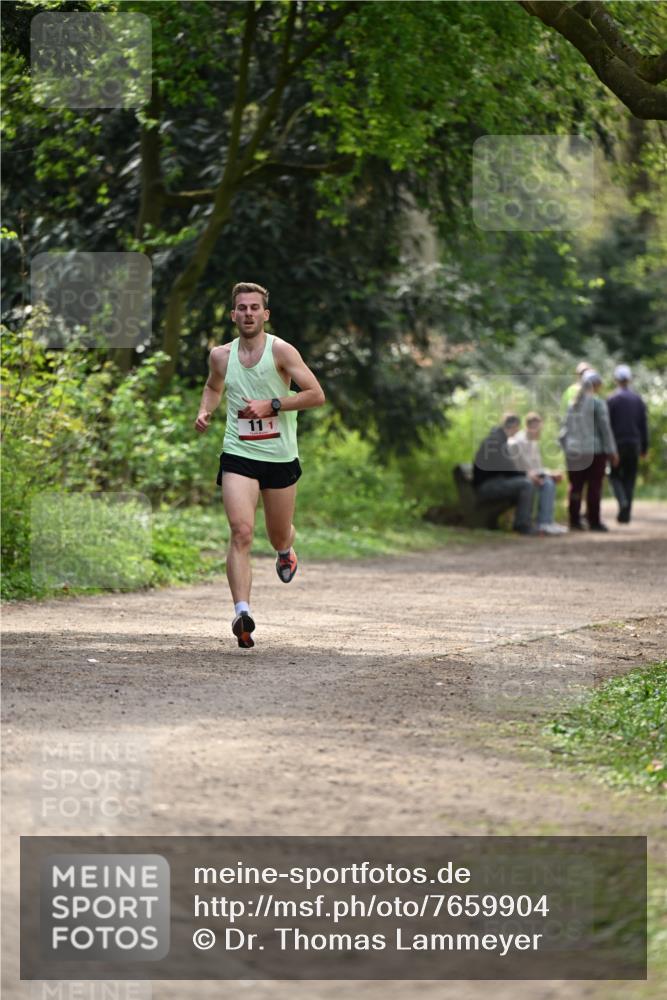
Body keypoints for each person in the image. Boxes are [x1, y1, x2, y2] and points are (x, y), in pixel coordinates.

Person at [195, 282, 325, 648]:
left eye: (255, 308)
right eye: (242, 308)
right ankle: (242, 613)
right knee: (241, 532)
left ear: (265, 314)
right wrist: (206, 410)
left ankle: (285, 550)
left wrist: (274, 404)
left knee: (277, 533)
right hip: (239, 452)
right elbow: (213, 386)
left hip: (280, 456)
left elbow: (316, 395)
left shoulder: (281, 351)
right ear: (233, 314)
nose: (248, 313)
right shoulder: (221, 355)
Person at [560, 371, 619, 532]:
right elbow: (605, 429)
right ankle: (594, 521)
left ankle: (574, 520)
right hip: (594, 452)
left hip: (573, 452)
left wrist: (567, 447)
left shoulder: (572, 404)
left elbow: (563, 431)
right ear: (597, 385)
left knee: (575, 486)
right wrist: (612, 451)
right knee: (594, 487)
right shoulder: (597, 403)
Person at [473, 414, 538, 535]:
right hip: (487, 486)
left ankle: (522, 523)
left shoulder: (499, 439)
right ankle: (522, 525)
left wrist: (524, 474)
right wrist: (526, 475)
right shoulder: (495, 441)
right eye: (517, 429)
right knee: (526, 485)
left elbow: (507, 469)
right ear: (513, 426)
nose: (517, 432)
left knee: (525, 483)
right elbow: (507, 468)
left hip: (494, 482)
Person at [507, 412, 567, 535]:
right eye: (536, 428)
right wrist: (547, 474)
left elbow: (537, 467)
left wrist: (550, 473)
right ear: (528, 426)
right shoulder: (518, 442)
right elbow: (523, 467)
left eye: (540, 428)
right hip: (521, 477)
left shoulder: (533, 442)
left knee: (549, 481)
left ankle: (548, 521)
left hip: (530, 476)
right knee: (547, 484)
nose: (539, 432)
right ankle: (543, 523)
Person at [607, 364, 648, 524]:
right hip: (634, 444)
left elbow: (607, 426)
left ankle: (622, 501)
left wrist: (607, 448)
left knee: (614, 476)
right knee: (630, 479)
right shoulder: (637, 399)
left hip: (617, 445)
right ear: (629, 379)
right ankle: (626, 514)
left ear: (616, 380)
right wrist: (644, 447)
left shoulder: (611, 399)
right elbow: (643, 424)